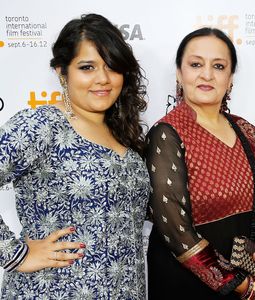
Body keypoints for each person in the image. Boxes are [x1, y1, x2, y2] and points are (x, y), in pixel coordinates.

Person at [0, 14, 150, 299]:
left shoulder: (120, 132)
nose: (103, 79)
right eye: (87, 67)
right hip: (52, 290)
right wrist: (15, 254)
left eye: (112, 67)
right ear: (61, 71)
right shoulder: (43, 126)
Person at [144, 27, 255, 299]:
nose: (207, 74)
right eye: (195, 64)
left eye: (218, 66)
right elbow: (176, 231)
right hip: (189, 284)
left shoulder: (247, 131)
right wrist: (243, 285)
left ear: (230, 77)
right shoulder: (166, 135)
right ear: (179, 73)